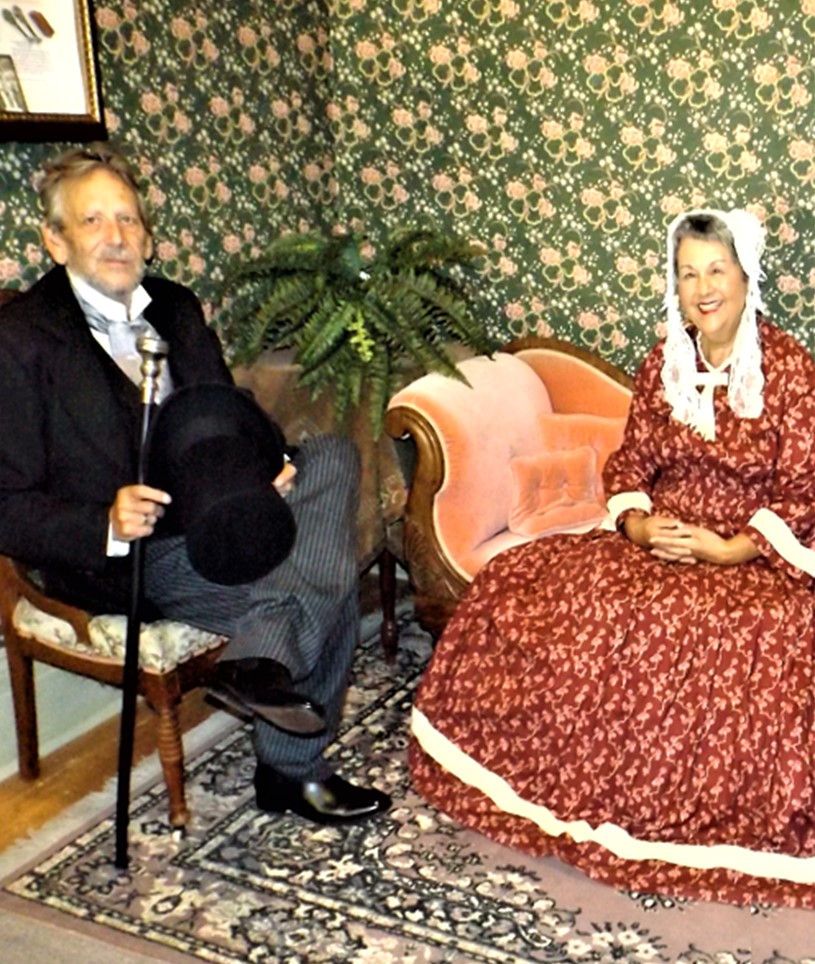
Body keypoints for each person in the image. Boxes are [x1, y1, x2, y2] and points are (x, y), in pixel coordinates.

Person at [410, 208, 815, 908]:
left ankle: (672, 816)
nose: (702, 287)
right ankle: (562, 792)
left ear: (747, 277)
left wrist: (728, 550)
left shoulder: (788, 371)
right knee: (529, 585)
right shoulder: (663, 362)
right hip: (660, 534)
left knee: (728, 631)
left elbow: (804, 487)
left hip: (752, 549)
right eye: (687, 273)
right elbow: (630, 460)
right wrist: (636, 527)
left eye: (715, 269)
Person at [0, 143, 391, 825]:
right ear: (55, 242)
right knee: (319, 584)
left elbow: (218, 411)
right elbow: (6, 505)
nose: (116, 237)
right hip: (136, 551)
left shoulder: (176, 307)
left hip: (215, 507)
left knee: (329, 455)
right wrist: (106, 522)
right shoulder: (18, 341)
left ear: (148, 236)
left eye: (128, 220)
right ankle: (290, 771)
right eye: (93, 222)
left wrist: (263, 463)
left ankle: (260, 661)